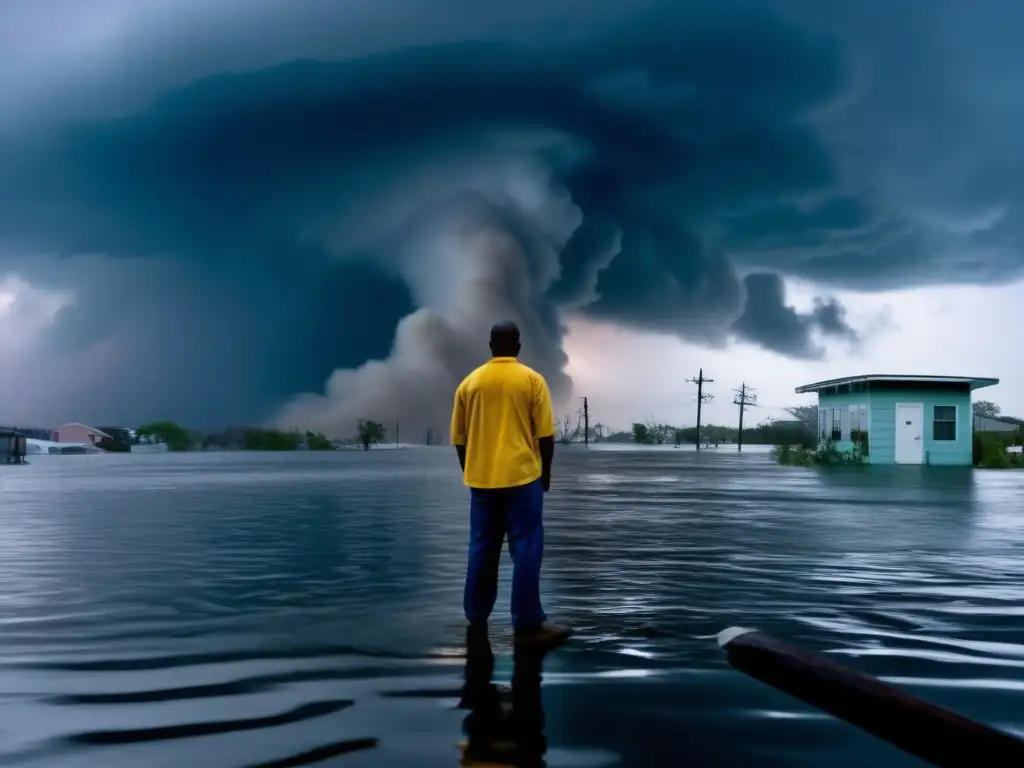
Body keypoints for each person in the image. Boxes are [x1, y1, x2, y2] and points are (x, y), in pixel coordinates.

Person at [450, 321, 570, 647]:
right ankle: (528, 622)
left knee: (481, 549)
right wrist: (544, 476)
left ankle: (476, 619)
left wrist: (471, 470)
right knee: (527, 550)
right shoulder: (532, 381)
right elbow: (545, 436)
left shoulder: (469, 384)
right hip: (522, 479)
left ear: (490, 346)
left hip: (482, 482)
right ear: (518, 346)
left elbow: (459, 440)